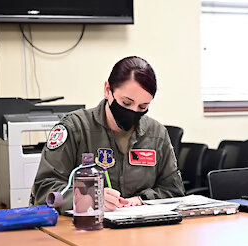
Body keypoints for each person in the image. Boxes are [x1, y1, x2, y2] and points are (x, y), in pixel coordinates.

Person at [31, 56, 185, 213]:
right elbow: (45, 189)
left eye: (143, 106)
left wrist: (143, 199)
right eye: (126, 103)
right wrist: (89, 198)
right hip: (84, 230)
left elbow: (174, 190)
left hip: (141, 231)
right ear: (107, 90)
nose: (133, 111)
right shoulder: (75, 128)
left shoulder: (156, 134)